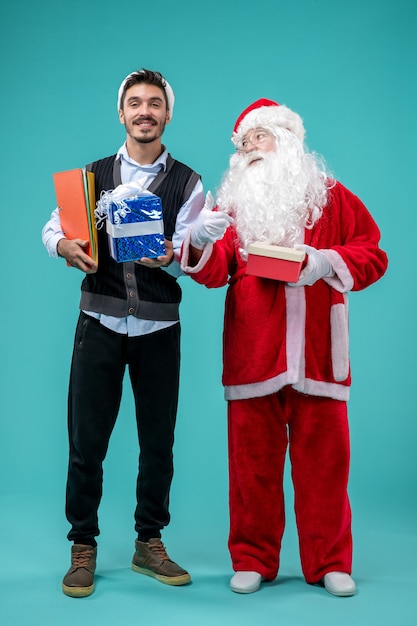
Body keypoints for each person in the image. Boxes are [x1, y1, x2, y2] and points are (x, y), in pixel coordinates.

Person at [181, 98, 388, 596]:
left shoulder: (332, 198)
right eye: (243, 143)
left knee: (326, 467)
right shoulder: (231, 207)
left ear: (288, 141)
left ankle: (330, 562)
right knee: (251, 468)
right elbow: (214, 271)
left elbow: (372, 254)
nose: (249, 149)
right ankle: (253, 557)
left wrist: (325, 262)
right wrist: (199, 239)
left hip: (320, 355)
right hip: (255, 353)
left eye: (259, 138)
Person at [42, 68, 204, 597]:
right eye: (135, 103)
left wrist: (174, 258)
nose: (144, 111)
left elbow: (194, 250)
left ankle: (148, 541)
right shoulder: (89, 176)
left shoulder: (188, 181)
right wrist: (64, 247)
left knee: (158, 442)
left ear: (167, 114)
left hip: (159, 327)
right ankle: (82, 544)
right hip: (99, 322)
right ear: (121, 112)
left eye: (154, 103)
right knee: (86, 440)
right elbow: (53, 227)